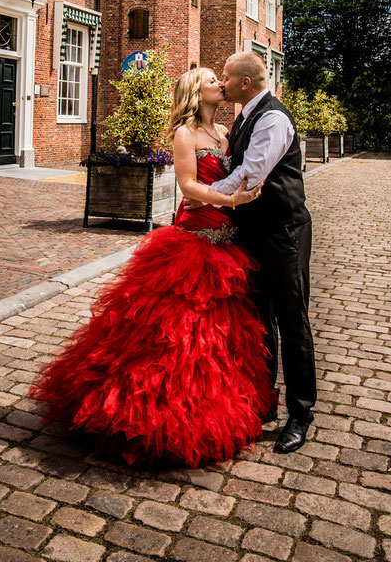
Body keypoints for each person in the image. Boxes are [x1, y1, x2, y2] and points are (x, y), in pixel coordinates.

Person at [29, 67, 277, 468]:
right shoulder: (185, 134)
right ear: (196, 93)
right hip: (194, 242)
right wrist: (229, 201)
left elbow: (233, 176)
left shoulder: (226, 134)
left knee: (216, 339)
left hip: (227, 244)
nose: (219, 84)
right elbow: (188, 186)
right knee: (173, 337)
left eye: (220, 79)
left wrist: (237, 193)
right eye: (212, 80)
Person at [208, 51, 316, 454]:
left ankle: (301, 413)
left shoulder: (272, 117)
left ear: (245, 84)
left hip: (283, 231)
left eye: (226, 77)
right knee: (259, 317)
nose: (221, 83)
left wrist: (199, 199)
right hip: (252, 231)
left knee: (292, 318)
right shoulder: (245, 114)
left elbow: (248, 176)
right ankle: (263, 401)